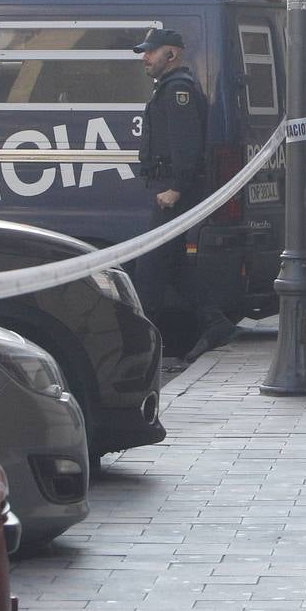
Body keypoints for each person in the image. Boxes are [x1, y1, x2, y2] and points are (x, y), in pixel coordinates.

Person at [131, 28, 238, 363]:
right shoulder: (168, 88)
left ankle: (138, 348)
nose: (145, 58)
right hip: (168, 187)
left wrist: (176, 188)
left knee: (150, 267)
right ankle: (214, 321)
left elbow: (186, 146)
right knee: (174, 264)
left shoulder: (178, 90)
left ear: (171, 54)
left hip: (174, 190)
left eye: (151, 51)